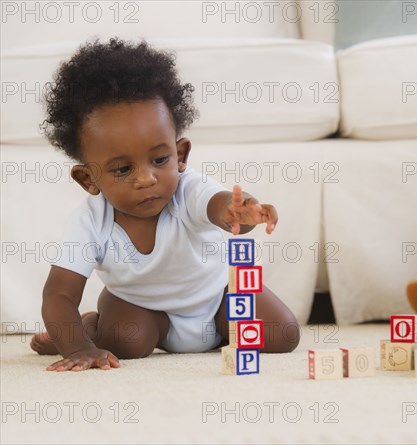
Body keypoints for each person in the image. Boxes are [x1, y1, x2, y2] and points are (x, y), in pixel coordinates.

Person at [30, 38, 300, 372]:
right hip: (144, 311)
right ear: (89, 180)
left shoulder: (188, 191)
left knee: (282, 335)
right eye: (123, 169)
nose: (146, 178)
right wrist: (77, 345)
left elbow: (220, 211)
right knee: (124, 343)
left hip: (217, 300)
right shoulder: (90, 223)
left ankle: (220, 333)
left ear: (180, 155)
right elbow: (58, 296)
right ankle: (91, 325)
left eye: (159, 159)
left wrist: (240, 213)